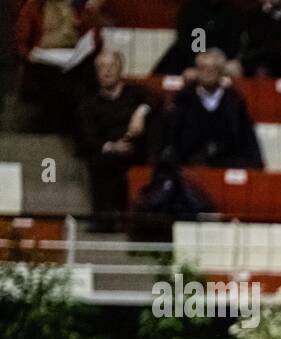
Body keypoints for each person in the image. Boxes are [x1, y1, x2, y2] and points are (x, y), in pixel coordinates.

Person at [75, 49, 156, 228]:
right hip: (106, 153)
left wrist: (140, 113)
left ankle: (133, 217)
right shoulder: (89, 103)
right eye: (102, 67)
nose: (107, 71)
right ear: (96, 74)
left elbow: (155, 99)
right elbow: (87, 136)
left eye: (112, 66)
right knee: (97, 160)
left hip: (135, 151)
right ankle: (104, 219)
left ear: (120, 69)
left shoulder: (135, 92)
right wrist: (111, 146)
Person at [14, 0, 104, 135]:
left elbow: (95, 38)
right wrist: (30, 56)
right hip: (43, 59)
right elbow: (21, 42)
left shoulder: (77, 6)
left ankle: (87, 124)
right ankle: (69, 128)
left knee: (89, 72)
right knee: (59, 80)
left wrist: (91, 15)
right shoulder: (34, 6)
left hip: (73, 56)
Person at [164, 50, 264, 169]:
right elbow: (174, 139)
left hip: (227, 164)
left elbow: (247, 141)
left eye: (212, 70)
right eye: (203, 69)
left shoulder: (235, 102)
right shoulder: (184, 100)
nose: (207, 74)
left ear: (221, 73)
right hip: (191, 165)